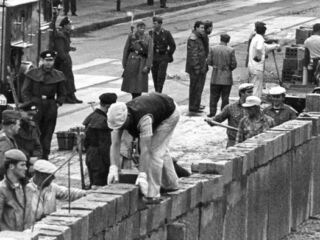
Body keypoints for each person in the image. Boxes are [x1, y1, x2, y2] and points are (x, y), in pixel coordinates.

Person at [107, 93, 179, 202]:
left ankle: (153, 194)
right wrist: (113, 167)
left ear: (128, 118)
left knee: (155, 151)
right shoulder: (117, 117)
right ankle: (171, 184)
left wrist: (142, 175)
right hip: (156, 108)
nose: (120, 129)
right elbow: (115, 144)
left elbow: (146, 149)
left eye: (122, 126)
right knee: (160, 149)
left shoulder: (143, 118)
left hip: (169, 114)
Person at [22, 50, 66, 160]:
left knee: (48, 131)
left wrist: (57, 103)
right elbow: (25, 91)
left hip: (50, 106)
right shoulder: (33, 73)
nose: (48, 63)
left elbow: (62, 93)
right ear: (42, 61)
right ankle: (34, 155)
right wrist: (29, 105)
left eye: (51, 60)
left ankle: (45, 155)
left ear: (54, 61)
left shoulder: (58, 75)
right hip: (35, 104)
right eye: (46, 60)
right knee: (34, 130)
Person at [25, 160, 86, 228]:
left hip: (49, 226)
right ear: (41, 175)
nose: (54, 178)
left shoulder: (52, 187)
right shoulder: (26, 189)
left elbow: (68, 192)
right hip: (31, 228)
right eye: (51, 175)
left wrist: (86, 193)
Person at [82, 93, 117, 187]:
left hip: (90, 154)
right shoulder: (102, 122)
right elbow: (105, 146)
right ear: (108, 106)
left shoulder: (92, 116)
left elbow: (85, 141)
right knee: (99, 185)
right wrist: (111, 164)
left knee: (94, 182)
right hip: (100, 159)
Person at [206, 83, 253, 147]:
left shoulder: (255, 108)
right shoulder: (230, 108)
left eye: (252, 92)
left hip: (250, 142)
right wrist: (211, 120)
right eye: (249, 92)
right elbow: (217, 119)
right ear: (242, 93)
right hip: (233, 142)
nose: (251, 94)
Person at [207, 34, 237, 117]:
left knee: (213, 96)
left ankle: (212, 112)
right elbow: (234, 64)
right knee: (225, 97)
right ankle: (223, 113)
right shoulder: (231, 50)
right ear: (228, 41)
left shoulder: (213, 49)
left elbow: (209, 61)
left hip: (215, 76)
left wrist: (216, 66)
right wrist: (228, 69)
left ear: (220, 39)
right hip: (226, 77)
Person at [53, 17, 82, 104]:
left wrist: (70, 48)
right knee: (65, 79)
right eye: (69, 24)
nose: (70, 26)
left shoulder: (65, 34)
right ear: (65, 25)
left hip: (66, 57)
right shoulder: (60, 35)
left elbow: (65, 46)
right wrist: (64, 59)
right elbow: (60, 49)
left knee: (70, 78)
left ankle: (72, 95)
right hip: (63, 60)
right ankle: (66, 97)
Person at [122, 21, 153, 99]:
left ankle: (137, 99)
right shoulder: (132, 36)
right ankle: (134, 98)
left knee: (139, 85)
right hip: (132, 62)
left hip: (142, 62)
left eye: (143, 27)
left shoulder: (148, 37)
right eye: (140, 27)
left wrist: (148, 65)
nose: (142, 29)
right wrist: (124, 63)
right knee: (132, 84)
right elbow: (126, 50)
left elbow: (150, 53)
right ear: (137, 28)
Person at [248, 22, 280, 97]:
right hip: (257, 67)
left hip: (252, 66)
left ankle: (253, 100)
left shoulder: (255, 38)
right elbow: (259, 48)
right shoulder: (260, 39)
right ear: (264, 31)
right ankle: (255, 102)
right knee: (257, 86)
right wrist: (260, 56)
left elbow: (264, 47)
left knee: (254, 84)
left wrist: (275, 46)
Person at [0, 149, 28, 231]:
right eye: (22, 165)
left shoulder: (26, 186)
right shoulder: (2, 189)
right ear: (11, 166)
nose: (26, 168)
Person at [150, 16, 176, 93]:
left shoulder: (166, 33)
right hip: (154, 58)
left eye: (155, 23)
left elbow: (172, 45)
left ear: (160, 24)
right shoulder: (151, 33)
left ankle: (159, 92)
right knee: (154, 76)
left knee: (161, 76)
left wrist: (168, 54)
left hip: (163, 58)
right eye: (153, 23)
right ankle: (156, 91)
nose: (153, 25)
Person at [186, 21, 207, 115]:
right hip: (196, 69)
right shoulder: (193, 38)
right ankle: (194, 107)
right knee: (195, 88)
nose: (203, 29)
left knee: (199, 87)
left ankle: (196, 104)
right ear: (196, 28)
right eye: (201, 28)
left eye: (203, 28)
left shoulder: (200, 36)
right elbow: (193, 55)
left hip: (201, 67)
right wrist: (197, 68)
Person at [15, 102, 42, 177]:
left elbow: (38, 145)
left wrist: (35, 159)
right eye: (29, 114)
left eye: (33, 115)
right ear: (21, 112)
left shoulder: (33, 126)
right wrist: (29, 159)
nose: (31, 118)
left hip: (31, 162)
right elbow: (15, 147)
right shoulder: (15, 128)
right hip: (19, 162)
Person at [0, 110, 21, 179]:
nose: (19, 127)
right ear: (12, 126)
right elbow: (2, 166)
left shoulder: (8, 137)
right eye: (18, 124)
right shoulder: (4, 142)